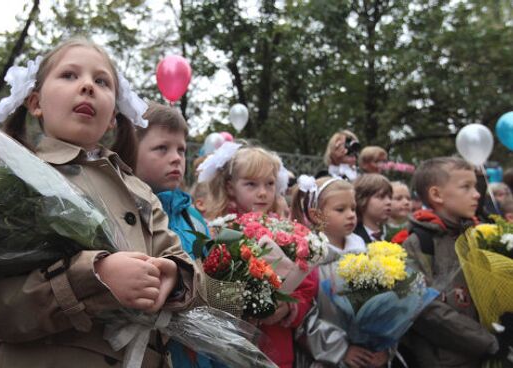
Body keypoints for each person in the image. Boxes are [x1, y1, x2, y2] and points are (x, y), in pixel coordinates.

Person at [0, 37, 199, 368]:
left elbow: (181, 261)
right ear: (35, 101)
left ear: (113, 116)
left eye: (101, 81)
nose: (87, 86)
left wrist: (172, 276)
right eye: (70, 75)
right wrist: (93, 276)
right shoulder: (8, 179)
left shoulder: (138, 190)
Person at [198, 143, 317, 368]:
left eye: (269, 184)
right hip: (228, 348)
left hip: (277, 347)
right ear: (231, 187)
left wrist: (288, 307)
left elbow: (307, 286)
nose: (263, 192)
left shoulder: (287, 231)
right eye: (251, 184)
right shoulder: (217, 230)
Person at [134, 102, 222, 368]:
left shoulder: (194, 218)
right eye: (162, 148)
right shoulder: (128, 213)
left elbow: (211, 278)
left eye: (181, 150)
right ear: (129, 150)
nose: (176, 158)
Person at [400, 157, 499, 367]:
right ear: (436, 194)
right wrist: (488, 342)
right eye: (466, 187)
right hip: (447, 360)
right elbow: (425, 310)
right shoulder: (418, 244)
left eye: (476, 186)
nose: (477, 194)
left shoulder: (482, 236)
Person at [291, 176, 389, 367]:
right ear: (316, 215)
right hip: (326, 359)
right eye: (340, 209)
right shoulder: (309, 260)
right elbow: (303, 317)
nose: (351, 215)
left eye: (353, 208)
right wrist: (341, 349)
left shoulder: (366, 253)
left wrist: (383, 345)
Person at [353, 174, 392, 245]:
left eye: (390, 197)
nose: (389, 202)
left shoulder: (392, 234)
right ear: (362, 199)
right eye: (381, 197)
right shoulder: (353, 237)